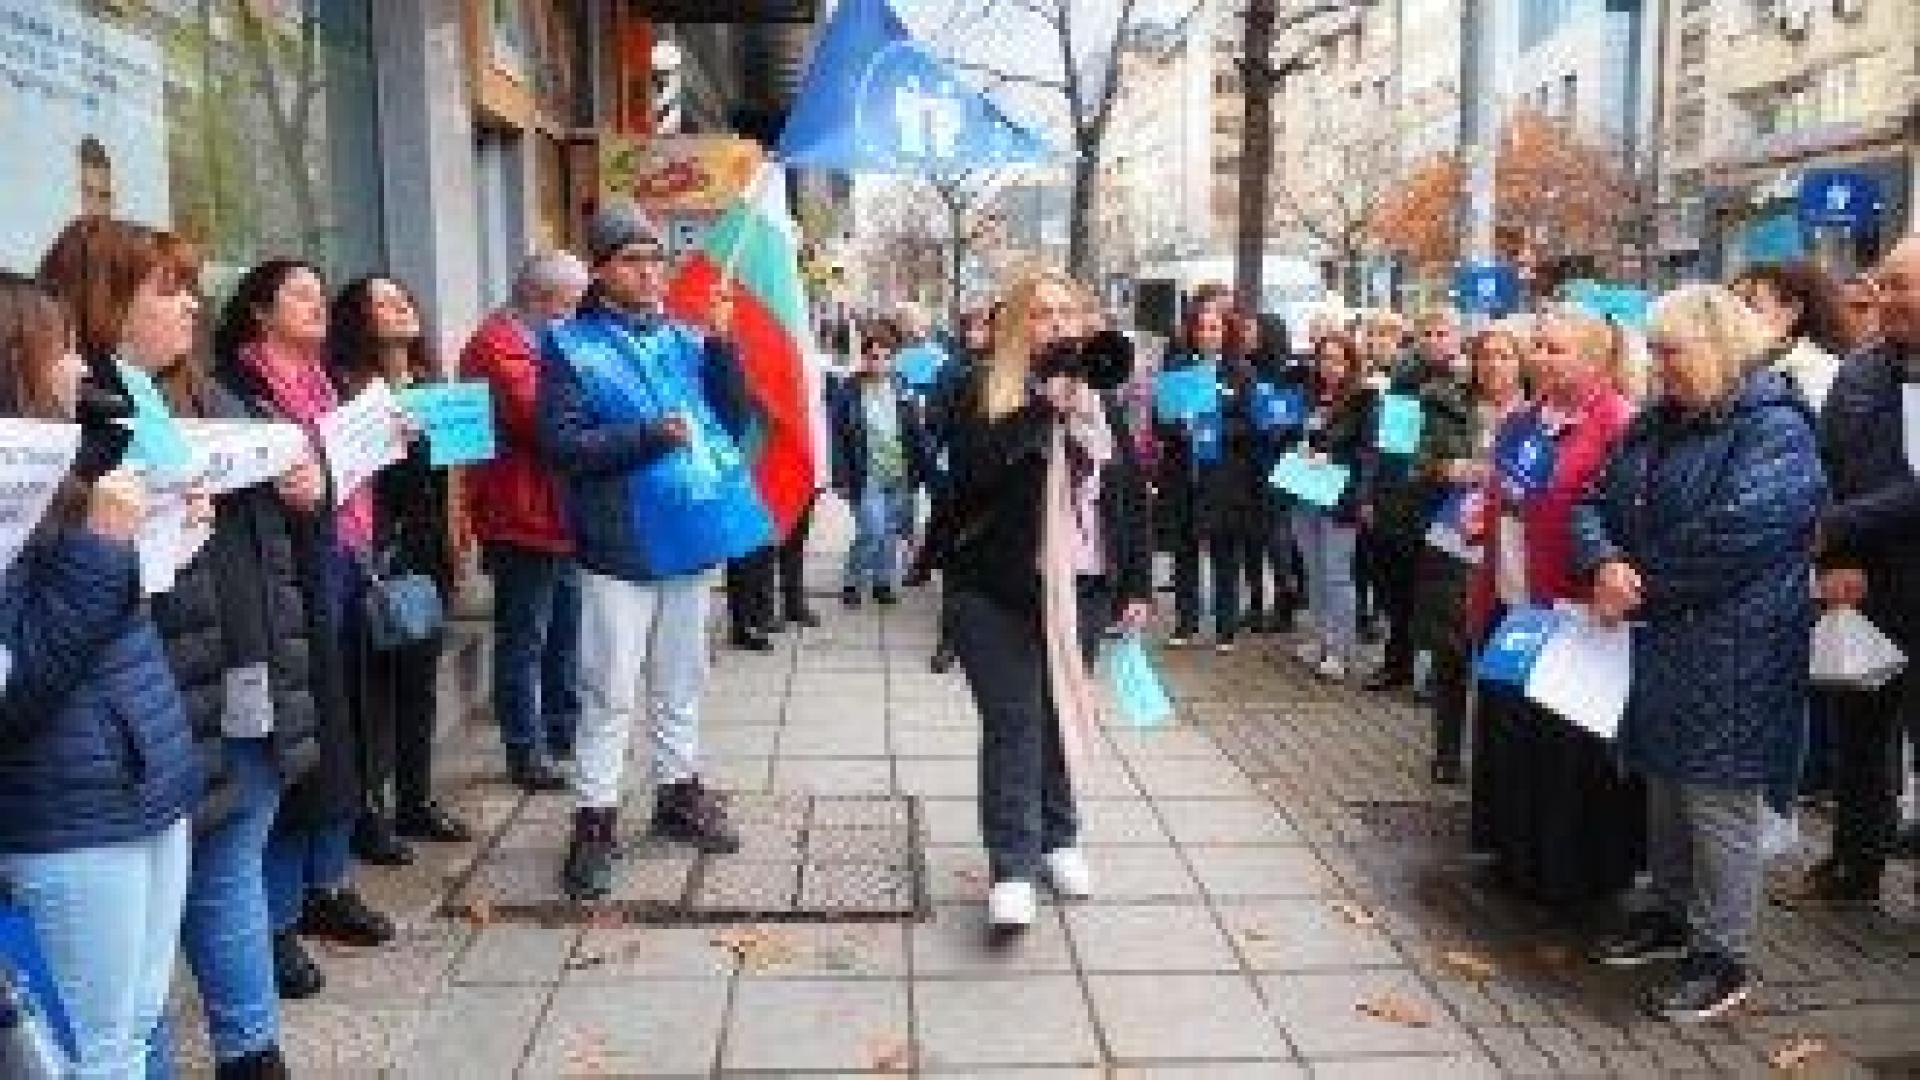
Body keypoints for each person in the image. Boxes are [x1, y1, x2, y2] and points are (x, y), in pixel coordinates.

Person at [41, 218, 327, 1077]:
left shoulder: (201, 394)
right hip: (148, 706)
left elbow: (265, 529)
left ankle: (249, 1048)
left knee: (226, 860)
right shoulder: (77, 419)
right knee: (133, 971)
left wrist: (303, 483)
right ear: (107, 303)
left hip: (235, 669)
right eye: (168, 289)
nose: (192, 304)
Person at [1575, 284, 1824, 1022]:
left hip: (1738, 648)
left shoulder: (1775, 428)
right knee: (1665, 782)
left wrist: (1634, 582)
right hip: (1667, 637)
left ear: (1717, 347)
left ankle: (1723, 955)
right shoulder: (1657, 422)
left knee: (1719, 802)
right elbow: (1593, 499)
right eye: (1652, 351)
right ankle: (1671, 911)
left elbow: (1741, 534)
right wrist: (1604, 562)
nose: (1656, 367)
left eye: (1669, 351)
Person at [0, 270, 200, 1077]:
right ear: (17, 359)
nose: (83, 370)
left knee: (135, 1022)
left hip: (140, 776)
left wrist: (165, 539)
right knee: (93, 1045)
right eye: (64, 351)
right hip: (66, 808)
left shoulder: (69, 464)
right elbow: (18, 686)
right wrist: (101, 549)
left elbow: (116, 618)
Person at [930, 264, 1153, 931]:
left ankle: (1059, 838)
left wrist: (1135, 583)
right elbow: (967, 478)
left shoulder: (1103, 398)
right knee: (1014, 725)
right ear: (1016, 325)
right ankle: (1013, 866)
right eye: (1042, 312)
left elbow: (1126, 495)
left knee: (1058, 715)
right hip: (993, 591)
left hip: (1079, 588)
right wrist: (1039, 409)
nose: (1057, 323)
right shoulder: (983, 387)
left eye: (1068, 311)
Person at [540, 203, 753, 901]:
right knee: (607, 688)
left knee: (680, 676)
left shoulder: (688, 339)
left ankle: (675, 790)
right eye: (632, 260)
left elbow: (732, 418)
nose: (649, 272)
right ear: (600, 270)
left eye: (656, 259)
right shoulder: (568, 346)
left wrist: (723, 346)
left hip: (689, 534)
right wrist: (644, 438)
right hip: (619, 542)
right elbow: (562, 446)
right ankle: (594, 818)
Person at [213, 260, 397, 1000]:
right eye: (298, 293)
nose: (318, 303)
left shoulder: (331, 383)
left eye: (322, 292)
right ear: (259, 312)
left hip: (345, 564)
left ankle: (329, 883)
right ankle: (279, 918)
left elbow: (351, 472)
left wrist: (389, 437)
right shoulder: (241, 391)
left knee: (347, 729)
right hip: (283, 584)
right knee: (299, 750)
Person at [1466, 309, 1640, 910]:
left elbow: (1613, 514)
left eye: (1555, 349)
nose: (1539, 357)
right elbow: (1504, 490)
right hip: (1511, 595)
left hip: (1570, 607)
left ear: (1593, 361)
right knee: (1514, 730)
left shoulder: (1615, 423)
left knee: (1566, 743)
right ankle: (1515, 850)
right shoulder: (1523, 421)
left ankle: (1569, 870)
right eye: (1537, 346)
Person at [1797, 236, 1920, 911]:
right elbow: (1826, 467)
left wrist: (1836, 530)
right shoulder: (1861, 371)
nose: (1890, 298)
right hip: (1867, 587)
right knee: (1859, 738)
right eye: (1887, 284)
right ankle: (1854, 864)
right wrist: (1837, 560)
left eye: (1905, 286)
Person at [330, 275, 473, 853]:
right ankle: (370, 811)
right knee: (372, 689)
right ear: (359, 321)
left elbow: (455, 473)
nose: (401, 309)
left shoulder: (431, 387)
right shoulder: (347, 393)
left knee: (421, 681)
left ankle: (416, 800)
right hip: (373, 553)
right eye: (384, 303)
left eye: (404, 299)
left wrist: (458, 537)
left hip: (427, 549)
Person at [460, 252, 589, 793]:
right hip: (520, 513)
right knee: (525, 637)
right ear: (541, 300)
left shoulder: (536, 340)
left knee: (564, 630)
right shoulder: (496, 345)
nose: (578, 315)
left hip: (555, 512)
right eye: (571, 304)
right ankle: (525, 747)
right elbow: (545, 418)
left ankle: (563, 731)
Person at [1410, 325, 1521, 786]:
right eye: (1486, 356)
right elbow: (1414, 463)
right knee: (1451, 650)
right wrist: (1446, 468)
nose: (1494, 365)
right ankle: (1447, 751)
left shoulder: (1534, 415)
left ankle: (1499, 757)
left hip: (1512, 546)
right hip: (1455, 541)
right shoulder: (1449, 409)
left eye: (1504, 355)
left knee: (1502, 658)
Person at [1366, 307, 1461, 693]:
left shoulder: (1464, 382)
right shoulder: (1401, 381)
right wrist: (1376, 496)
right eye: (1429, 334)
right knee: (1397, 588)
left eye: (1443, 334)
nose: (1436, 341)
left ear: (1456, 338)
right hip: (1401, 499)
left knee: (1437, 594)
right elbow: (1390, 447)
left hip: (1444, 499)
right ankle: (1398, 663)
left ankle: (1436, 674)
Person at [1287, 332, 1378, 682]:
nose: (1330, 366)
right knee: (1313, 569)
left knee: (1337, 572)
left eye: (1338, 360)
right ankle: (1321, 637)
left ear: (1351, 363)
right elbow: (1291, 433)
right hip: (1304, 488)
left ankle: (1339, 649)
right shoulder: (1307, 395)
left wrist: (1364, 495)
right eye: (1324, 359)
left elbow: (1369, 452)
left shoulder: (1364, 399)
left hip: (1341, 494)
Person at [914, 305, 993, 671]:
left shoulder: (1026, 371)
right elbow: (935, 422)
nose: (983, 334)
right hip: (963, 482)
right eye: (977, 328)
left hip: (1010, 487)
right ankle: (951, 639)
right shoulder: (955, 369)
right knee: (959, 563)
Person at [831, 317, 927, 608]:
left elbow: (914, 431)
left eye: (887, 357)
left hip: (899, 471)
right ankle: (853, 581)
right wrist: (841, 478)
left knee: (890, 531)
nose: (880, 363)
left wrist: (922, 468)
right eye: (874, 357)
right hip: (866, 471)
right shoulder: (848, 391)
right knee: (871, 529)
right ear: (864, 357)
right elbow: (838, 437)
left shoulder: (902, 387)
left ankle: (883, 582)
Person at [1155, 303, 1229, 647]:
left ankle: (1226, 627)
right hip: (1183, 473)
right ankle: (1185, 623)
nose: (1207, 335)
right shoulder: (1177, 369)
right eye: (1201, 328)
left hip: (1222, 477)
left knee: (1223, 552)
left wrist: (1216, 427)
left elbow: (1253, 424)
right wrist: (1178, 428)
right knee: (1184, 551)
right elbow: (1160, 420)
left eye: (1214, 328)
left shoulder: (1238, 371)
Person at [1247, 313, 1305, 635]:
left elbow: (1294, 420)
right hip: (1255, 462)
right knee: (1263, 535)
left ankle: (1286, 599)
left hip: (1284, 464)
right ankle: (1264, 601)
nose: (1249, 336)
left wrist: (1275, 424)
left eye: (1254, 331)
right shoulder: (1248, 368)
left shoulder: (1290, 373)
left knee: (1279, 536)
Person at [1731, 261, 1847, 413]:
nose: (1733, 317)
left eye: (1749, 305)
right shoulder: (1738, 367)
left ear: (1792, 312)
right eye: (1731, 306)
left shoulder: (1816, 372)